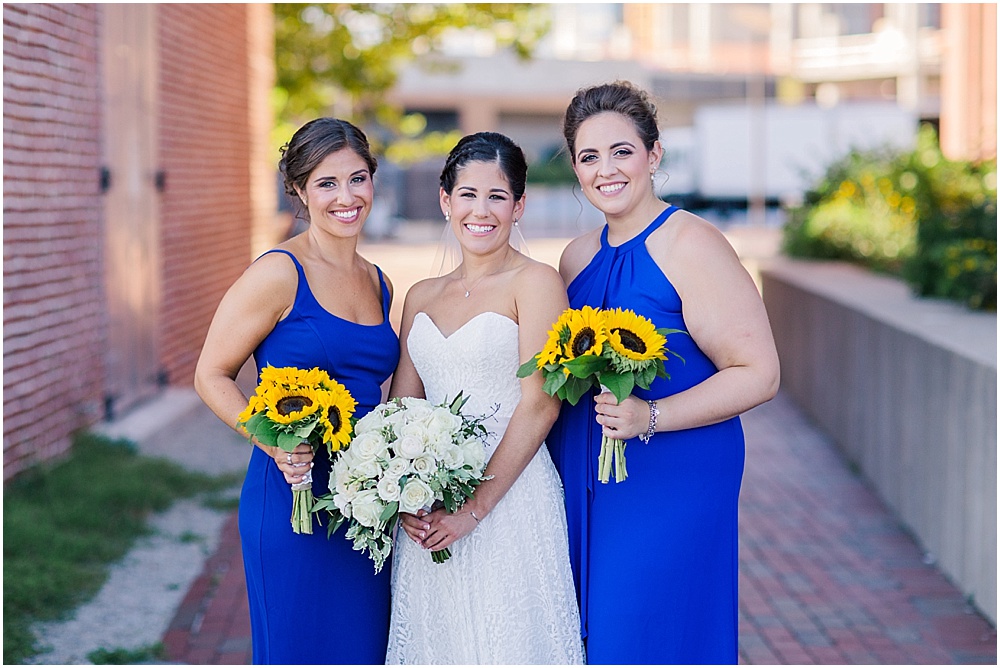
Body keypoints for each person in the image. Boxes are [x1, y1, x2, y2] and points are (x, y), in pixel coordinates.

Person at [547, 81, 780, 664]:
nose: (606, 170)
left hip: (673, 474)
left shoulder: (691, 244)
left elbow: (759, 371)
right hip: (588, 470)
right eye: (589, 156)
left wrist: (652, 415)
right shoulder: (575, 257)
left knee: (641, 634)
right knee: (589, 635)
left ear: (653, 155)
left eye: (621, 151)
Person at [194, 118, 398, 664]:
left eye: (357, 179)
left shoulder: (380, 281)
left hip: (365, 504)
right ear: (301, 191)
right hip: (293, 496)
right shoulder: (279, 273)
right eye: (327, 183)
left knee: (363, 650)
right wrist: (274, 444)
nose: (346, 198)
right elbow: (210, 374)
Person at [386, 132, 585, 664]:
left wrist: (474, 509)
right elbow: (402, 409)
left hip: (511, 498)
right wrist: (402, 493)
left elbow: (541, 403)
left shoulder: (536, 283)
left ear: (518, 205)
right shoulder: (420, 296)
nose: (481, 210)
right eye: (468, 194)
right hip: (431, 503)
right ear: (445, 200)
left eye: (497, 196)